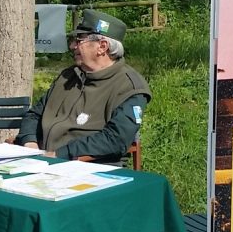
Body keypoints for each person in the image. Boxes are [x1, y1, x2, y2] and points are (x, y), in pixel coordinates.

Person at [14, 10, 151, 163]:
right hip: (44, 161)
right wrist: (30, 142)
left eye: (79, 40)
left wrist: (61, 154)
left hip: (90, 170)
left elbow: (115, 139)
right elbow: (34, 115)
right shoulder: (68, 76)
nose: (73, 46)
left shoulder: (129, 87)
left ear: (102, 47)